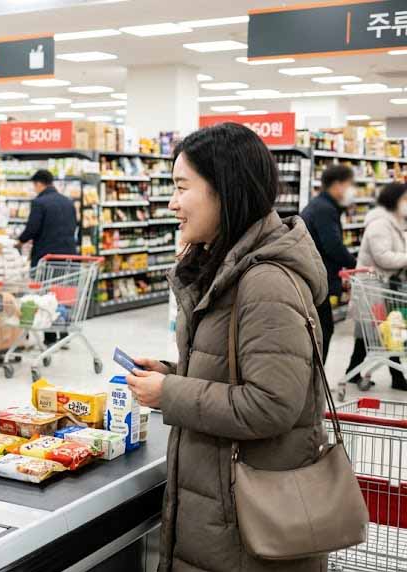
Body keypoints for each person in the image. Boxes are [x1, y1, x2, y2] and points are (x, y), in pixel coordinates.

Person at [126, 123, 328, 572]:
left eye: (182, 187)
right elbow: (237, 369)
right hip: (222, 506)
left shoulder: (265, 282)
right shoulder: (223, 269)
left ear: (225, 189)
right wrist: (173, 371)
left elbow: (272, 404)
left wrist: (169, 394)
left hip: (249, 525)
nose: (173, 203)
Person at [345, 182, 407, 389]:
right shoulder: (380, 224)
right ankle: (395, 378)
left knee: (380, 334)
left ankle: (354, 373)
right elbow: (383, 258)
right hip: (373, 287)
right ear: (394, 201)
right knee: (380, 334)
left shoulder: (393, 223)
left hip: (384, 287)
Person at [300, 164, 357, 361]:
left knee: (321, 329)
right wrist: (353, 263)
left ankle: (315, 379)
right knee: (323, 330)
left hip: (312, 275)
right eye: (350, 184)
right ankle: (316, 381)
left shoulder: (321, 205)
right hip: (314, 277)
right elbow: (332, 245)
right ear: (338, 185)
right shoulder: (325, 209)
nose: (352, 190)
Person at [18, 169, 78, 267]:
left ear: (38, 184)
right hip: (69, 256)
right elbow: (74, 225)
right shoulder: (68, 202)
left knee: (44, 281)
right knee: (63, 282)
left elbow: (32, 229)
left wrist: (20, 241)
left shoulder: (39, 203)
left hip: (47, 257)